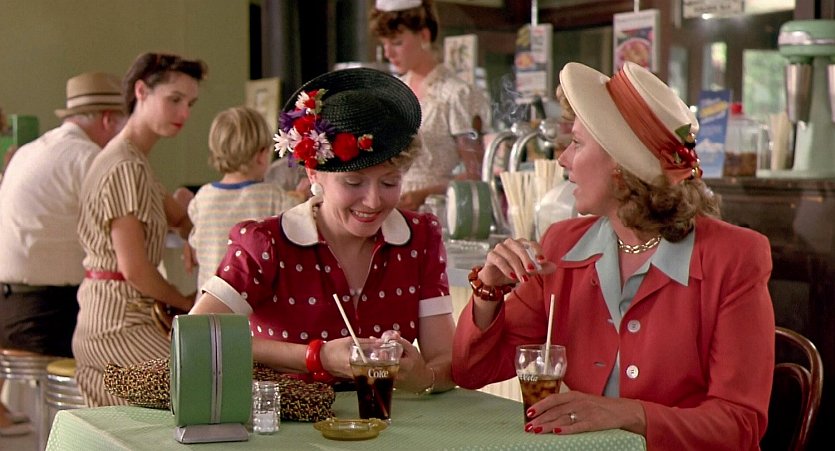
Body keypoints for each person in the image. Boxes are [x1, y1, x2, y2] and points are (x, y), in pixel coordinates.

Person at [452, 61, 775, 450]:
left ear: (621, 166)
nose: (562, 159)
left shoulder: (734, 257)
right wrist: (487, 289)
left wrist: (627, 413)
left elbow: (739, 425)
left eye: (576, 144)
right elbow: (473, 372)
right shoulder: (561, 245)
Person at [190, 67, 455, 395]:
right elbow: (195, 335)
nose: (373, 201)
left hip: (387, 421)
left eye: (390, 182)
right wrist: (316, 357)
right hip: (285, 422)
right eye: (353, 182)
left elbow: (447, 361)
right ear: (313, 174)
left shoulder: (420, 238)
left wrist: (423, 377)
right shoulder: (267, 244)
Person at [72, 52, 207, 406]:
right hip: (117, 323)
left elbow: (182, 218)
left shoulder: (134, 161)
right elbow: (134, 269)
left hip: (125, 314)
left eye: (190, 104)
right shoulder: (125, 166)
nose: (184, 113)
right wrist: (187, 303)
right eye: (174, 100)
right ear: (141, 91)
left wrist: (193, 233)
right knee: (208, 382)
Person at [0, 72, 125, 434]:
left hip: (8, 309)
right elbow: (122, 234)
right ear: (108, 120)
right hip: (43, 316)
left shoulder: (29, 150)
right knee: (140, 344)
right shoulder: (89, 158)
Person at [370, 0, 491, 210]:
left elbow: (476, 173)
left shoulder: (456, 94)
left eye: (397, 43)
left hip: (436, 208)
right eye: (384, 44)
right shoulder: (394, 92)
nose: (388, 53)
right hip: (390, 205)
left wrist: (425, 194)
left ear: (424, 36)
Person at [187, 106, 302, 291]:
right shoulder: (272, 196)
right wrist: (301, 194)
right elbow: (301, 217)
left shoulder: (202, 198)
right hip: (251, 303)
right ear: (261, 155)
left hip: (209, 302)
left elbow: (195, 246)